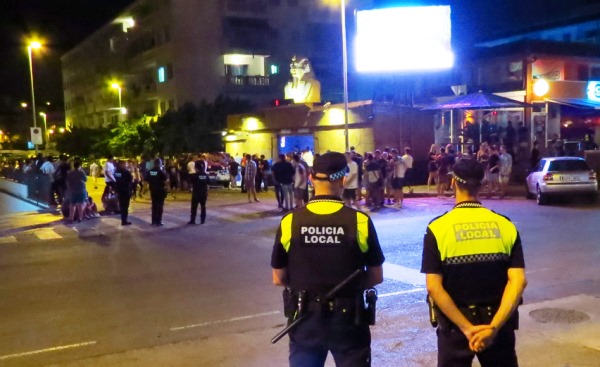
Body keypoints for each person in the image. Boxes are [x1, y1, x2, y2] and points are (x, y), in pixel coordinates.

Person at [271, 151, 385, 367]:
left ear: (311, 178)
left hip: (305, 319)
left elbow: (278, 278)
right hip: (349, 321)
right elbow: (376, 276)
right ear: (343, 180)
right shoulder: (359, 221)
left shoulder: (290, 221)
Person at [421, 158, 527, 367]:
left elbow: (434, 287)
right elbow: (518, 281)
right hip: (498, 324)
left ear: (453, 183)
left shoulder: (438, 228)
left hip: (455, 327)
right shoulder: (505, 225)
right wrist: (493, 328)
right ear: (482, 184)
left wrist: (468, 328)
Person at [146, 158, 168, 226]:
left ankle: (153, 221)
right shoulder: (161, 171)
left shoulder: (150, 171)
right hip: (160, 190)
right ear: (159, 164)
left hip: (153, 190)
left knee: (154, 205)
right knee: (160, 206)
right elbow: (166, 181)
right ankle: (159, 221)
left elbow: (146, 180)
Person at [189, 160, 210, 224]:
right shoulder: (206, 175)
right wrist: (207, 191)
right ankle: (202, 220)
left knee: (194, 207)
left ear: (196, 167)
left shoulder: (195, 175)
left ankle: (193, 220)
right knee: (203, 206)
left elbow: (191, 183)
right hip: (203, 193)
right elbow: (208, 184)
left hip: (196, 193)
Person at [114, 159, 133, 225]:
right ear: (121, 164)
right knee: (125, 206)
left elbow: (116, 180)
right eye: (124, 164)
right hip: (125, 191)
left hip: (119, 191)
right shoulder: (126, 172)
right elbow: (130, 180)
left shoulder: (116, 172)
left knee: (122, 205)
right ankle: (124, 220)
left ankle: (123, 219)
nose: (125, 165)